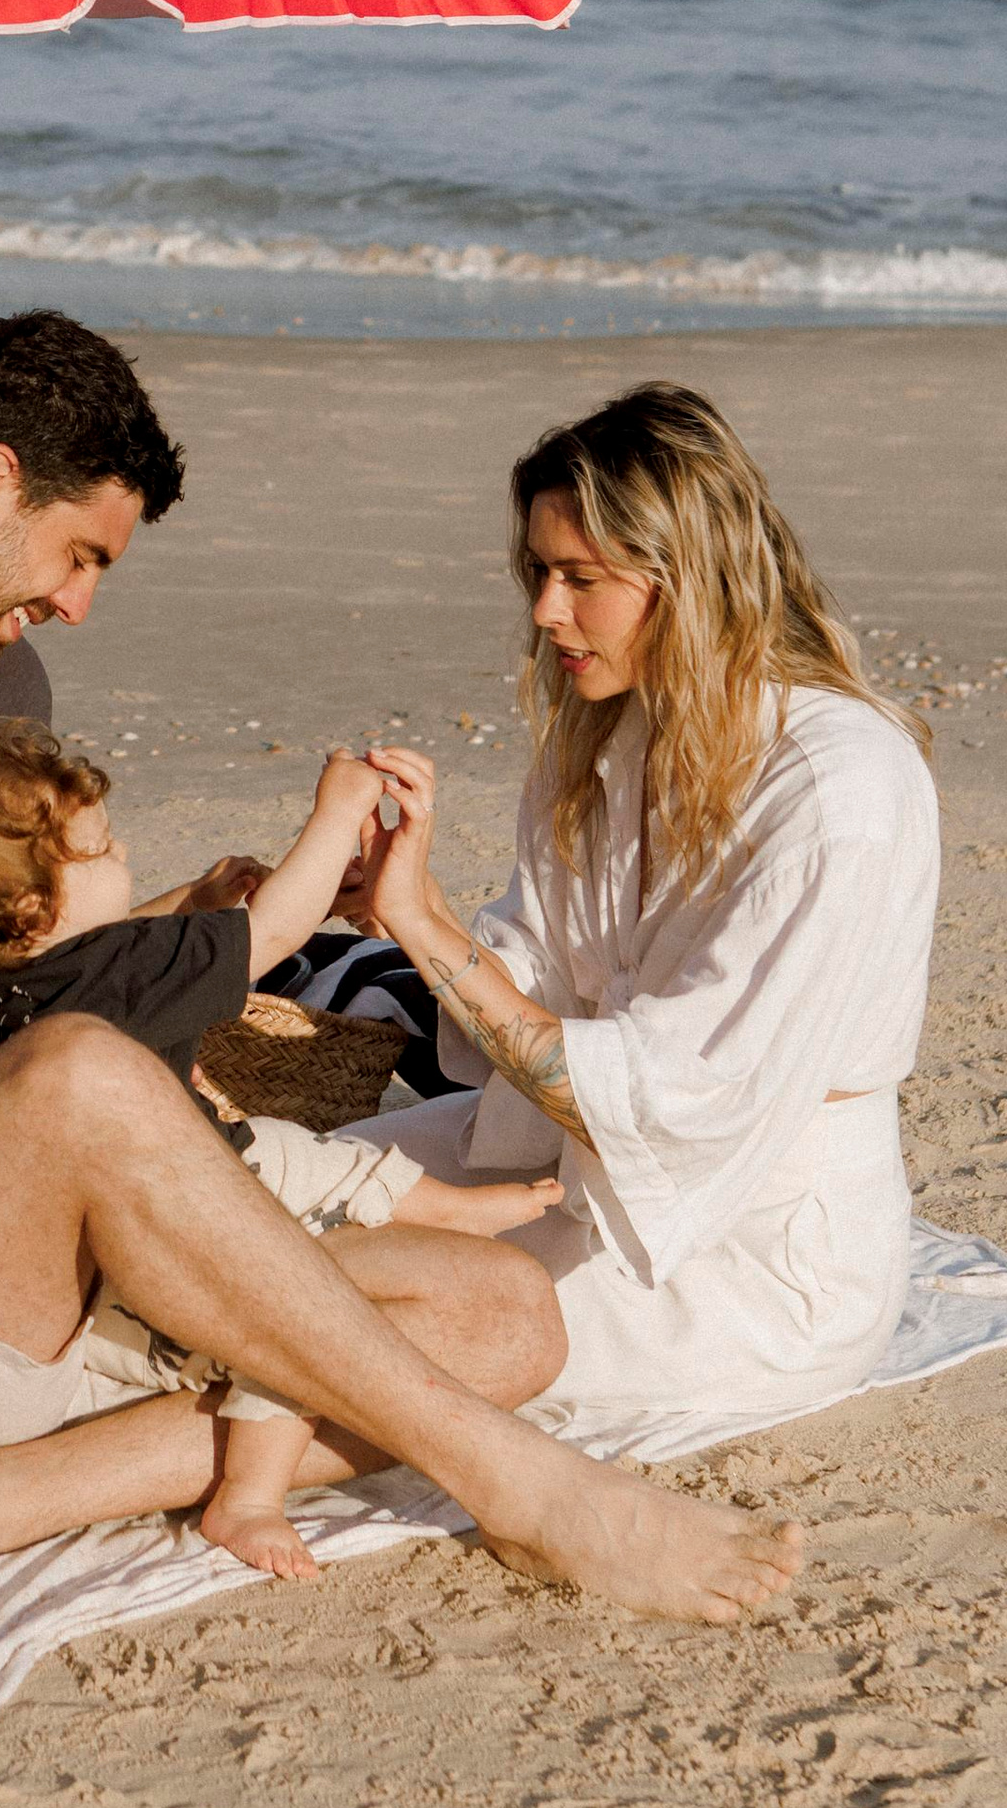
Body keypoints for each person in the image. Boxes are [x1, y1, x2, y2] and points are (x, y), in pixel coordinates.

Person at [0, 306, 805, 1628]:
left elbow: (13, 987)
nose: (76, 604)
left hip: (27, 1275)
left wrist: (179, 928)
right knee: (76, 1081)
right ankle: (531, 1493)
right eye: (80, 554)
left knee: (508, 1319)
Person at [337, 380, 941, 1462]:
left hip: (744, 1250)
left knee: (354, 1329)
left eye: (581, 579)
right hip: (558, 1157)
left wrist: (424, 932)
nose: (544, 611)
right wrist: (404, 906)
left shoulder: (836, 792)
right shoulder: (613, 738)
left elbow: (669, 1102)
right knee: (252, 1205)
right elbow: (514, 1012)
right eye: (537, 572)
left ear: (691, 580)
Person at [0, 719, 559, 1580]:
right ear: (38, 908)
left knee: (301, 1153)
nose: (125, 856)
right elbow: (275, 931)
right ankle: (249, 1496)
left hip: (134, 1215)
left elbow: (116, 948)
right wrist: (337, 811)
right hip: (180, 1234)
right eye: (106, 848)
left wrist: (191, 902)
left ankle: (451, 1206)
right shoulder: (123, 969)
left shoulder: (2, 980)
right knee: (299, 1315)